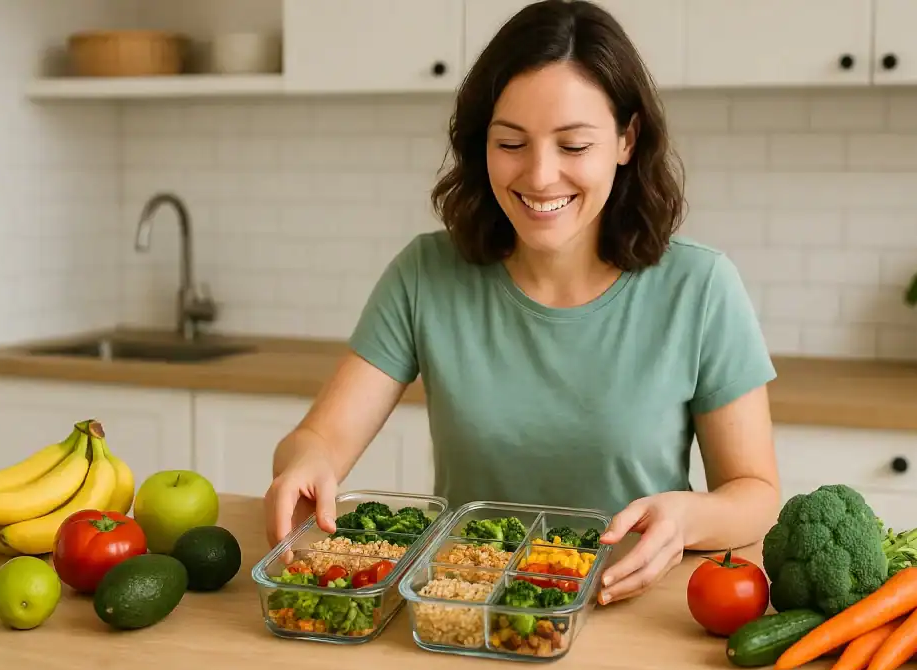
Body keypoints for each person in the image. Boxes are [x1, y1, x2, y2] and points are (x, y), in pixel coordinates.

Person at [265, 0, 781, 606]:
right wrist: (303, 465)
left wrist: (688, 518)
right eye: (511, 142)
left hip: (633, 611)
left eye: (573, 146)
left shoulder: (700, 286)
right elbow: (318, 440)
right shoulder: (426, 273)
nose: (539, 176)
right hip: (467, 610)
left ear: (625, 139)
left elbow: (754, 493)